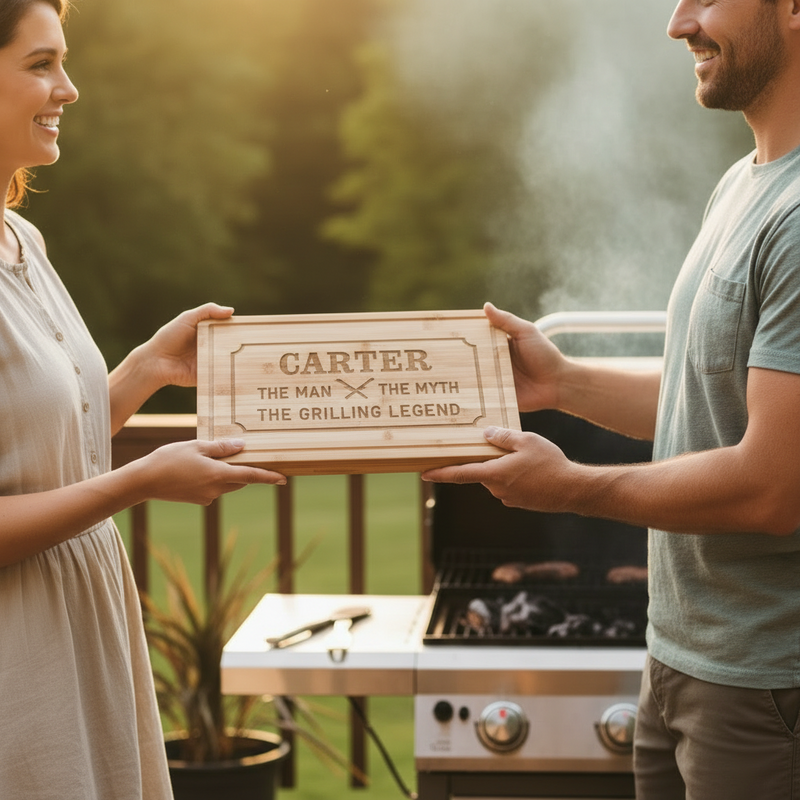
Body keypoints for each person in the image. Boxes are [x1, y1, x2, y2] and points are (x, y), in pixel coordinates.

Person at [423, 0, 800, 798]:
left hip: (767, 683)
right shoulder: (744, 184)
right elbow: (711, 396)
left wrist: (570, 489)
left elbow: (775, 486)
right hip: (681, 660)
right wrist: (563, 383)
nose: (678, 23)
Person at [0, 2, 286, 798]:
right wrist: (137, 483)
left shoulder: (22, 240)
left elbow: (49, 449)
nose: (70, 88)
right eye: (40, 64)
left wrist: (141, 371)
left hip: (82, 631)